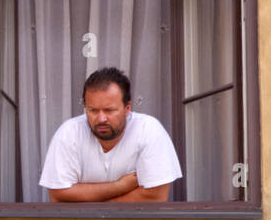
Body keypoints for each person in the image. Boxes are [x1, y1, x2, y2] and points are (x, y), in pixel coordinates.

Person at [40, 67, 181, 202]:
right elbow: (58, 195)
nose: (101, 119)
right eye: (93, 110)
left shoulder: (148, 130)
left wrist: (89, 204)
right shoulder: (69, 133)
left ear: (127, 109)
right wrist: (120, 186)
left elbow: (155, 197)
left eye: (109, 110)